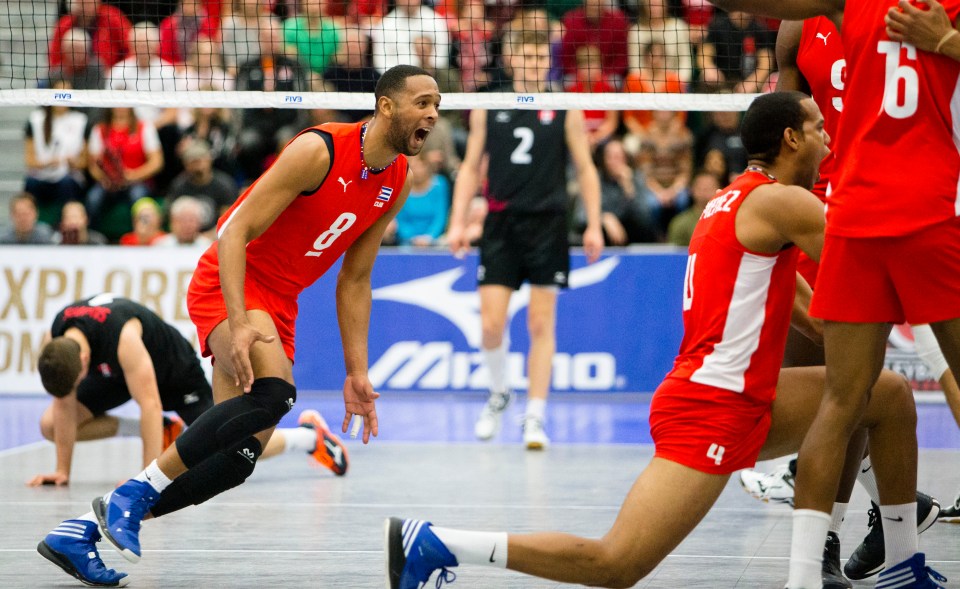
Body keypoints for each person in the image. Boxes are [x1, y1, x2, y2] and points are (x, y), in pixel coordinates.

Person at [385, 91, 923, 589]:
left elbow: (822, 321)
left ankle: (901, 565)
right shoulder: (784, 203)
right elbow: (868, 266)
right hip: (711, 405)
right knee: (616, 564)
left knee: (886, 395)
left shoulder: (736, 200)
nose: (829, 140)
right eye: (821, 128)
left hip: (748, 395)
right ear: (791, 139)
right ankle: (438, 543)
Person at [37, 65, 439, 587]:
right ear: (386, 106)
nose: (433, 113)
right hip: (233, 281)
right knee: (276, 392)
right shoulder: (319, 150)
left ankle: (81, 531)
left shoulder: (397, 180)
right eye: (423, 102)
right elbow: (233, 230)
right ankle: (130, 495)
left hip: (281, 300)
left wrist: (356, 372)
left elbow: (356, 279)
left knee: (235, 460)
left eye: (437, 104)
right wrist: (237, 319)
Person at [707, 0, 960, 586]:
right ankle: (821, 563)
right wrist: (944, 42)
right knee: (843, 396)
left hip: (877, 213)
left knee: (845, 401)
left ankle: (820, 570)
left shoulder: (854, 5)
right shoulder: (836, 17)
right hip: (879, 210)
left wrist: (944, 42)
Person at [446, 30, 604, 450]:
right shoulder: (489, 106)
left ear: (547, 62)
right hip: (501, 224)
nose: (533, 64)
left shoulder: (565, 108)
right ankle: (500, 392)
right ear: (512, 60)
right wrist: (457, 222)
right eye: (526, 56)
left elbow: (585, 168)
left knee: (540, 323)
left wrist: (593, 224)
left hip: (548, 224)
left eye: (540, 57)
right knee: (490, 326)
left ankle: (535, 414)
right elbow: (470, 167)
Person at [27, 294, 350, 489]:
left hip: (175, 374)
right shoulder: (57, 339)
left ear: (84, 361)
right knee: (50, 425)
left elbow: (150, 404)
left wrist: (144, 482)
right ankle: (165, 431)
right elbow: (63, 401)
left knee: (230, 445)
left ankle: (309, 437)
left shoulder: (123, 338)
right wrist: (61, 471)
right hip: (118, 374)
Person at [23, 79, 88, 224]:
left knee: (67, 183)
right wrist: (47, 163)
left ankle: (63, 225)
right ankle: (32, 225)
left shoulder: (80, 121)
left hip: (68, 177)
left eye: (67, 93)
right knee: (30, 183)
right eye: (59, 92)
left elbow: (84, 161)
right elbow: (29, 161)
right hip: (41, 176)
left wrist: (74, 163)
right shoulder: (35, 120)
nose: (63, 97)